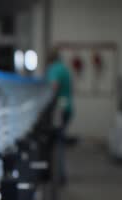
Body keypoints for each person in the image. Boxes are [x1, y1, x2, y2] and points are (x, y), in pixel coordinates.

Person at [46, 48, 73, 184]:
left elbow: (53, 86)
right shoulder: (63, 68)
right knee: (60, 141)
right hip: (66, 108)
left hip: (59, 110)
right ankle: (60, 173)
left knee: (57, 143)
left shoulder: (54, 69)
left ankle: (59, 175)